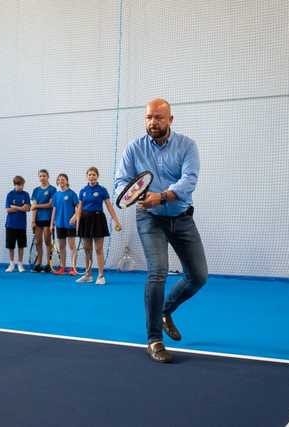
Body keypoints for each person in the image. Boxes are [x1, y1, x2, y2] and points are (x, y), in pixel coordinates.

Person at [114, 98, 208, 363]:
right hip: (150, 218)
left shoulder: (187, 146)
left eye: (158, 117)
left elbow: (189, 180)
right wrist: (136, 194)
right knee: (158, 272)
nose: (152, 122)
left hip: (181, 216)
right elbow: (121, 181)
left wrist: (163, 196)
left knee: (198, 276)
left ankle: (166, 310)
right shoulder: (134, 148)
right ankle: (154, 339)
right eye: (148, 118)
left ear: (170, 120)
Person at [74, 167, 121, 285]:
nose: (92, 177)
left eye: (94, 175)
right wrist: (78, 223)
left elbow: (109, 207)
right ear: (87, 176)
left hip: (98, 220)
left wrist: (116, 221)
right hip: (85, 221)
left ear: (97, 176)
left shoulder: (102, 190)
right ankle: (88, 275)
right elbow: (79, 209)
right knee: (87, 250)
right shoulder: (83, 191)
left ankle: (101, 276)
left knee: (98, 249)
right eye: (89, 175)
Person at [50, 173, 79, 275]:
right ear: (57, 182)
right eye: (59, 179)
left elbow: (78, 208)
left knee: (72, 246)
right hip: (59, 224)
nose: (61, 181)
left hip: (70, 225)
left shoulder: (72, 194)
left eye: (63, 179)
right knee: (62, 247)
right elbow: (54, 210)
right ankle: (62, 268)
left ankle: (74, 269)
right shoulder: (56, 195)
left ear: (67, 181)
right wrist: (51, 224)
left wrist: (75, 218)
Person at [30, 169, 56, 272]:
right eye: (40, 176)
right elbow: (33, 208)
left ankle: (49, 264)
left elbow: (50, 204)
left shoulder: (52, 189)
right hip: (37, 220)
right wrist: (33, 221)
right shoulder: (36, 190)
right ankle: (38, 264)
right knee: (38, 242)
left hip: (47, 219)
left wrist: (36, 205)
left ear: (48, 176)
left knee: (47, 241)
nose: (42, 178)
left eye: (44, 176)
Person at [5, 176, 31, 272]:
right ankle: (11, 264)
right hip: (10, 224)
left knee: (21, 245)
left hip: (21, 225)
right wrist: (21, 208)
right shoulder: (10, 194)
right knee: (11, 246)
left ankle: (20, 264)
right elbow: (8, 209)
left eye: (22, 185)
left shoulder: (26, 194)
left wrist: (15, 207)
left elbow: (28, 208)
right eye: (19, 185)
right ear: (15, 184)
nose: (21, 187)